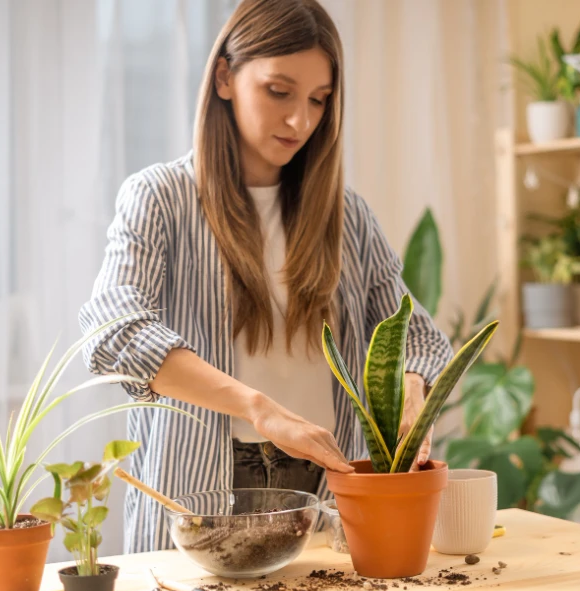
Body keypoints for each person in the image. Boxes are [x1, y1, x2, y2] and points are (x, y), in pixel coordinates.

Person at [79, 0, 453, 554]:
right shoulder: (160, 197)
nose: (301, 120)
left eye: (319, 100)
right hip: (204, 485)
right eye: (279, 92)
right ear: (225, 76)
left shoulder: (346, 215)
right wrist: (260, 408)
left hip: (327, 488)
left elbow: (416, 335)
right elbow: (113, 332)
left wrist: (413, 390)